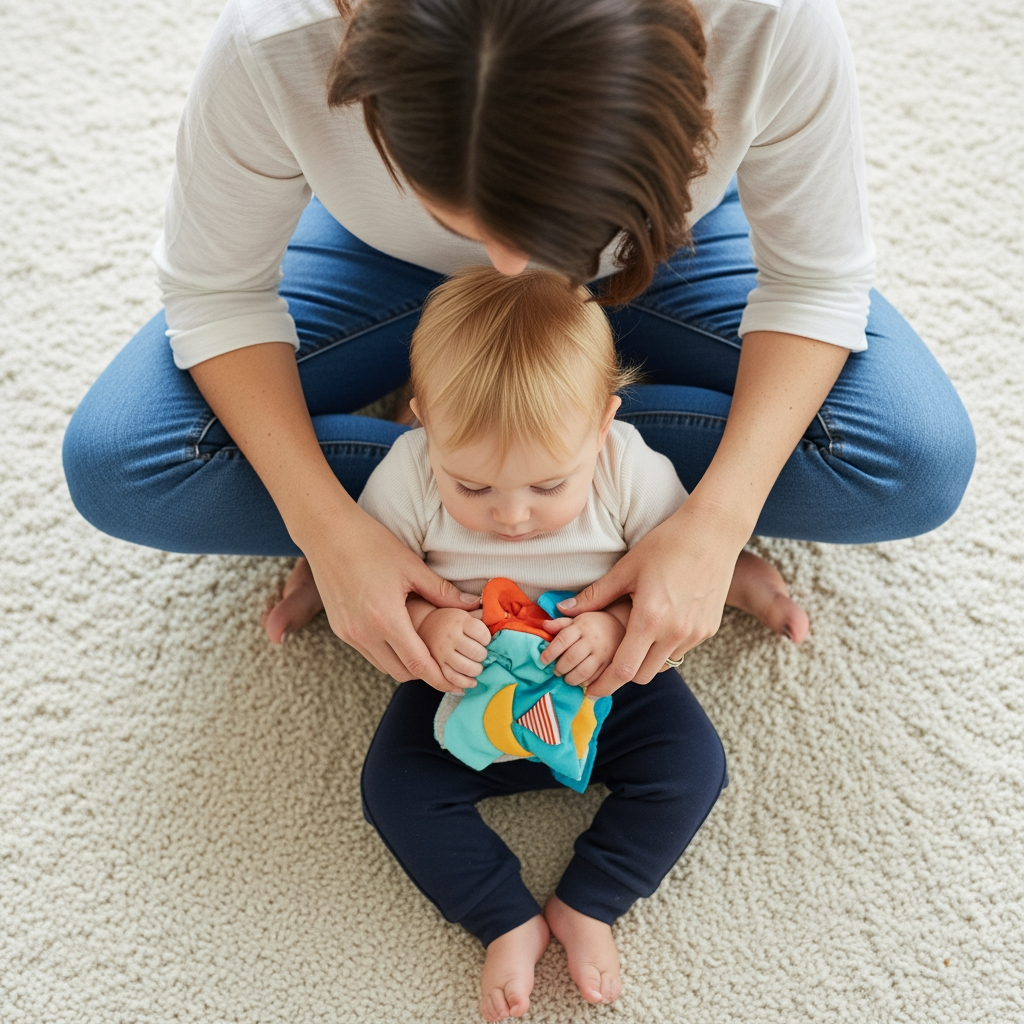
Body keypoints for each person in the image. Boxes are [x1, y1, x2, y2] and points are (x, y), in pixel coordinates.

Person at [62, 0, 974, 696]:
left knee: (908, 461)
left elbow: (815, 282)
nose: (509, 264)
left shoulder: (768, 21)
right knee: (127, 464)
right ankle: (527, 495)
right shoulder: (277, 40)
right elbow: (216, 292)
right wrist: (334, 528)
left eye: (544, 226)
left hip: (662, 250)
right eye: (449, 204)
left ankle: (554, 492)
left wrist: (712, 526)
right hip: (387, 267)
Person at [357, 265, 806, 1020]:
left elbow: (671, 565)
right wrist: (434, 629)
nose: (512, 517)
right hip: (466, 692)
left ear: (603, 425)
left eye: (545, 487)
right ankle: (503, 918)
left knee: (693, 766)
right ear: (422, 420)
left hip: (603, 682)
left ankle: (589, 903)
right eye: (471, 488)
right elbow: (378, 577)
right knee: (392, 789)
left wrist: (617, 626)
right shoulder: (406, 476)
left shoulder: (627, 467)